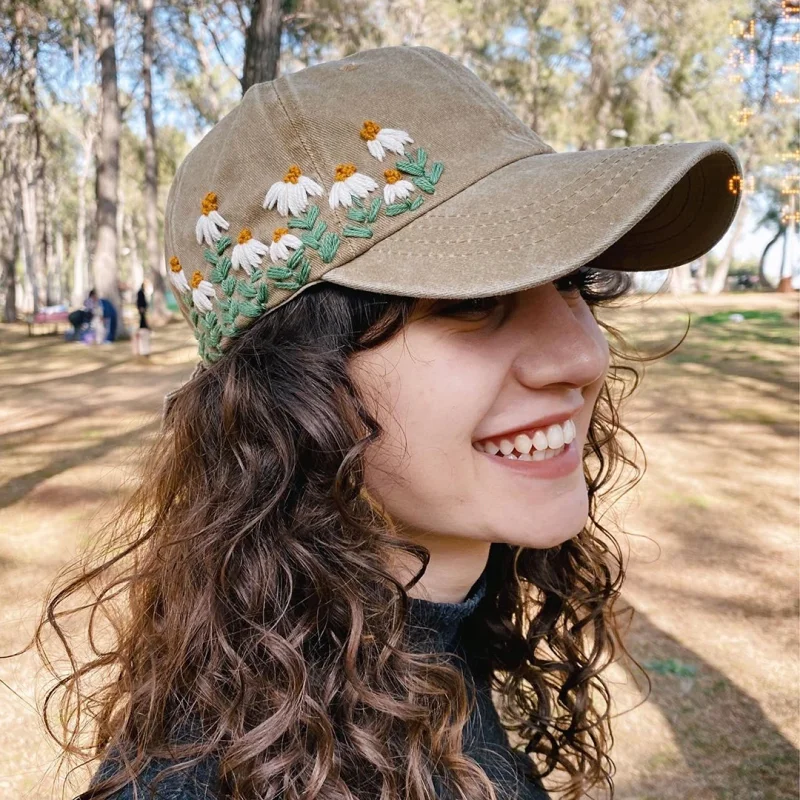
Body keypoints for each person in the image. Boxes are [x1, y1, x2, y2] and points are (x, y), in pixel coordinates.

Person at [27, 46, 741, 800]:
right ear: (296, 389)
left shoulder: (415, 651)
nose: (580, 352)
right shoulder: (209, 779)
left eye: (574, 284)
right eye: (470, 301)